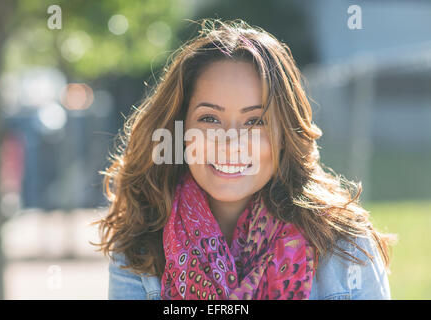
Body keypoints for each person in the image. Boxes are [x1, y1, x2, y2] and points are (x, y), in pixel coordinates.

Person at [94, 19, 396, 300]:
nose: (231, 143)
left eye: (255, 121)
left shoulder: (343, 248)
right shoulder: (139, 249)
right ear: (181, 129)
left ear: (283, 135)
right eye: (210, 118)